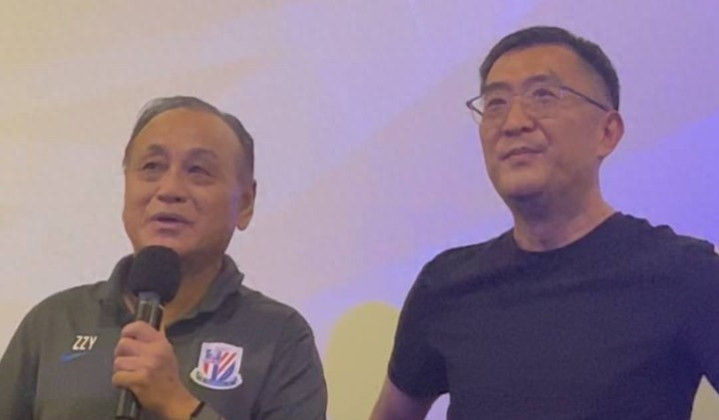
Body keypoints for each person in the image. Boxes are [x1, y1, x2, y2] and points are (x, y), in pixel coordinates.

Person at [371, 26, 719, 419]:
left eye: (543, 96)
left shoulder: (685, 272)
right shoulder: (445, 284)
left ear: (607, 132)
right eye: (496, 103)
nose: (513, 122)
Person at [0, 96, 327, 419]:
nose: (170, 189)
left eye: (198, 171)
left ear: (245, 203)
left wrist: (176, 403)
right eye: (152, 167)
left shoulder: (279, 337)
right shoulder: (54, 322)